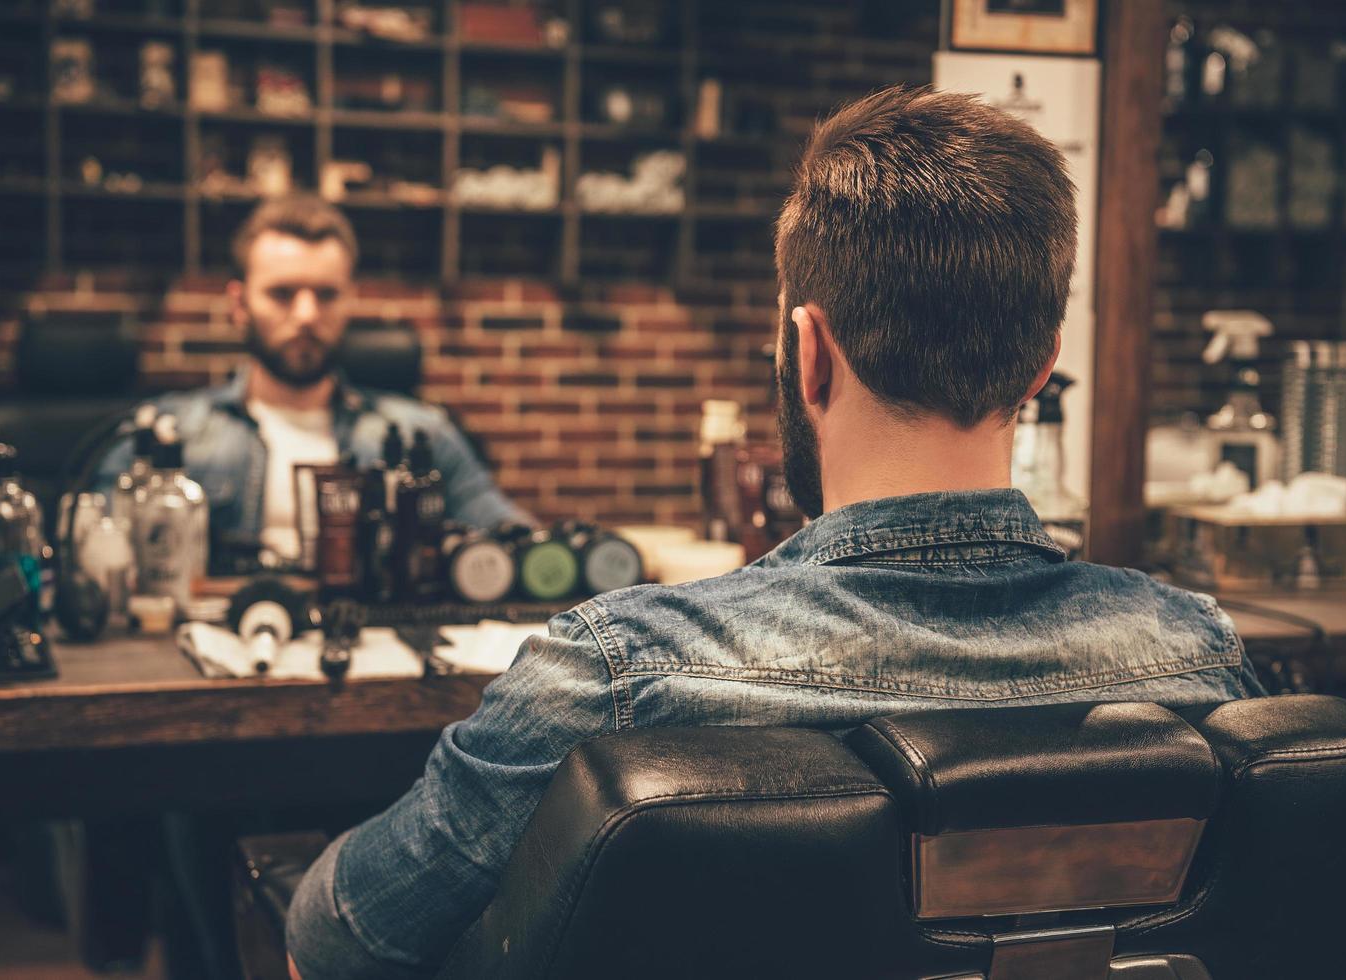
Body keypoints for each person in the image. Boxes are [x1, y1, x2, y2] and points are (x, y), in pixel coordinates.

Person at [286, 86, 1264, 978]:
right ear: (1041, 364)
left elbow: (341, 937)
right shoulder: (1195, 653)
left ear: (806, 350)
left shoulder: (612, 672)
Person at [96, 195, 525, 570]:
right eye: (282, 294)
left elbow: (515, 540)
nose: (306, 315)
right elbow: (92, 553)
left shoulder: (422, 434)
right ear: (239, 304)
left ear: (349, 300)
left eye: (326, 295)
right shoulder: (165, 434)